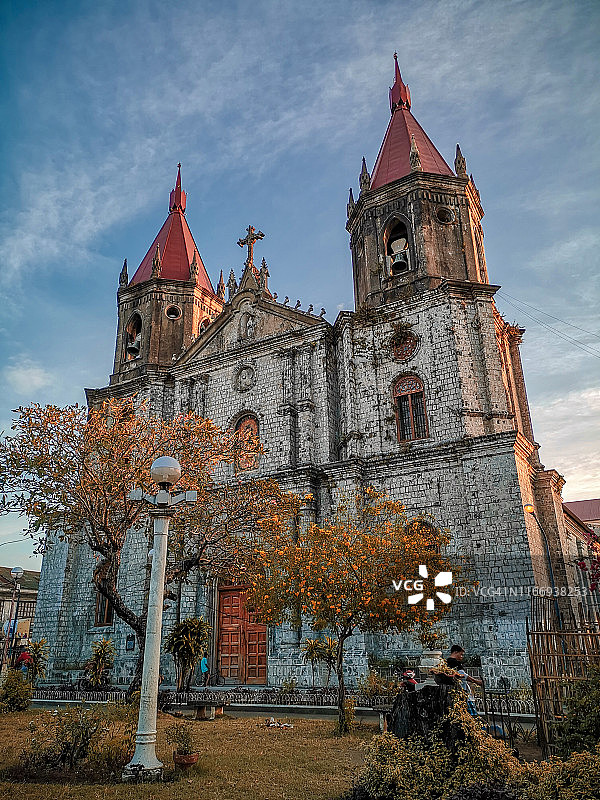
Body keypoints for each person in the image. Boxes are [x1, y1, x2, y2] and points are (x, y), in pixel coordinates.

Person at [447, 644, 483, 717]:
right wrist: (476, 681)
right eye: (461, 654)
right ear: (455, 652)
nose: (461, 657)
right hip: (461, 690)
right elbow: (462, 675)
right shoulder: (454, 662)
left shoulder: (447, 662)